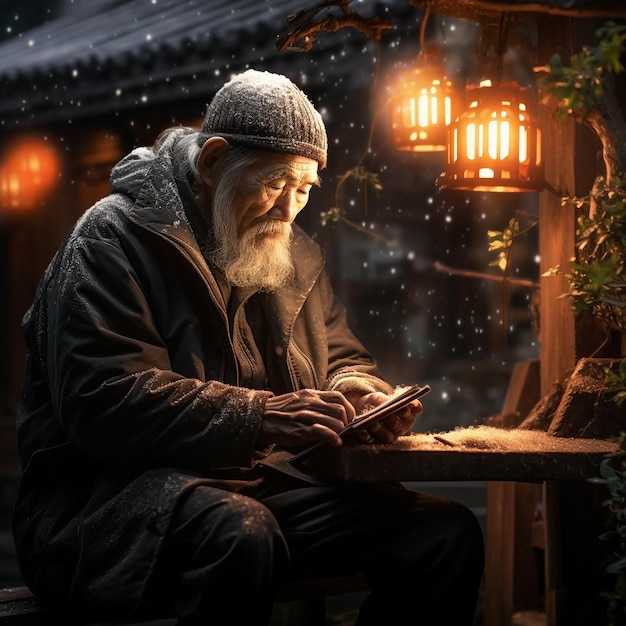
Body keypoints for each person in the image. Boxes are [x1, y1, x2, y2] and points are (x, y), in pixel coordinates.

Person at [12, 69, 484, 625]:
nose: (289, 209)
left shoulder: (292, 253)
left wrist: (357, 393)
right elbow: (102, 400)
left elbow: (342, 357)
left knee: (443, 532)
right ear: (213, 162)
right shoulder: (110, 238)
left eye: (304, 189)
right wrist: (259, 415)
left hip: (259, 489)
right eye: (274, 183)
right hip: (109, 506)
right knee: (241, 535)